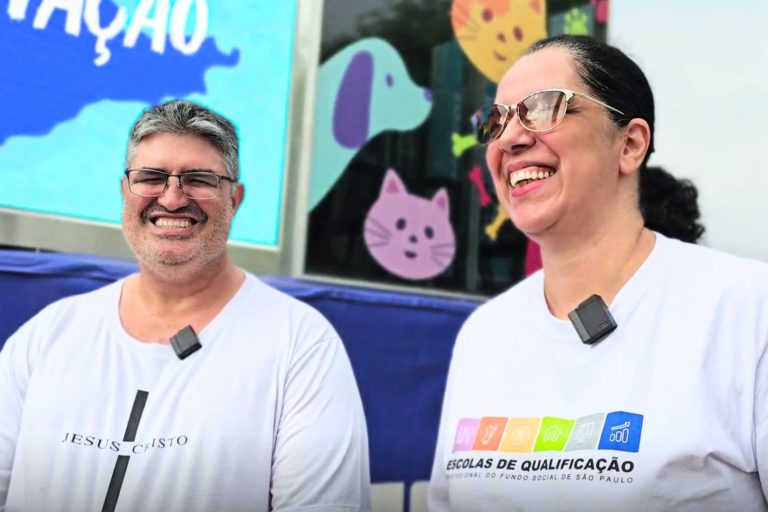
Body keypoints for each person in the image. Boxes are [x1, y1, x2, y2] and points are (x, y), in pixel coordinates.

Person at [428, 35, 768, 510]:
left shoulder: (745, 311)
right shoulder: (483, 335)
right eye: (495, 120)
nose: (509, 139)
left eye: (543, 107)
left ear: (630, 145)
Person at [0, 100, 372, 511]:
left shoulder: (300, 344)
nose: (173, 198)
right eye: (151, 177)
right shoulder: (47, 336)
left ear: (234, 199)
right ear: (124, 192)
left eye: (198, 179)